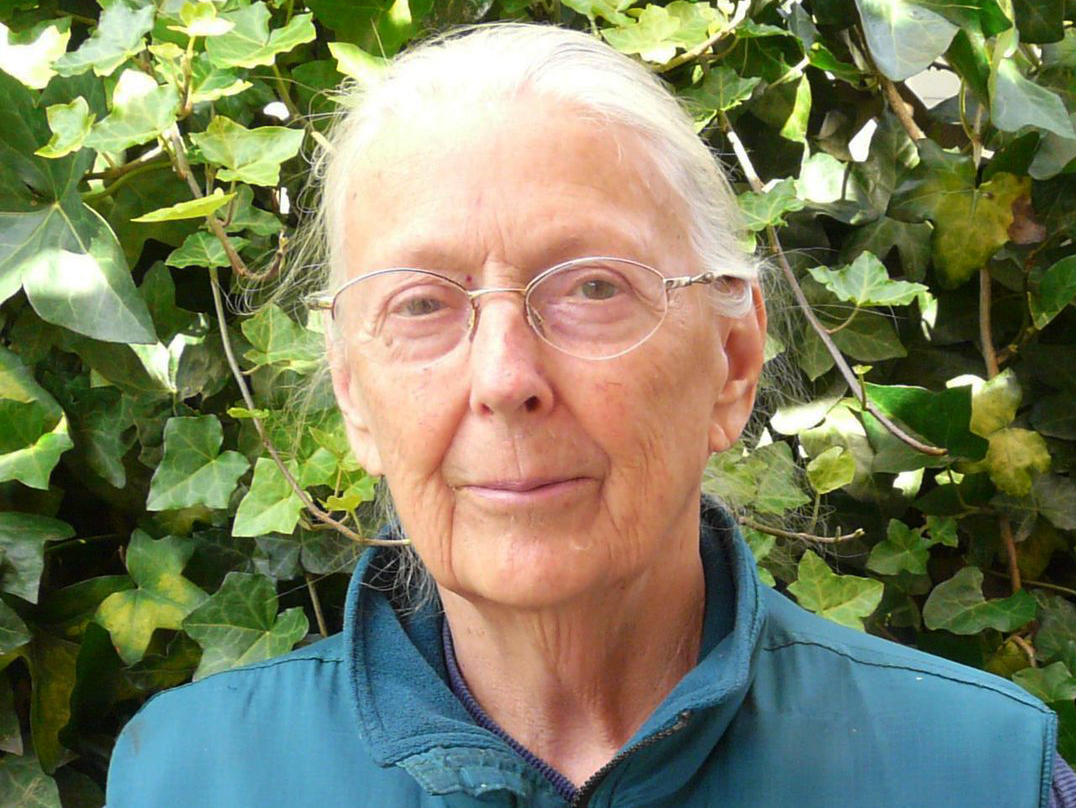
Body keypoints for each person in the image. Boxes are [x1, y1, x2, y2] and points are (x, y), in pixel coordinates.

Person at [105, 23, 1075, 808]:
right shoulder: (186, 778)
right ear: (355, 392)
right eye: (421, 303)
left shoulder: (975, 773)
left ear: (731, 361)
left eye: (592, 288)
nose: (502, 377)